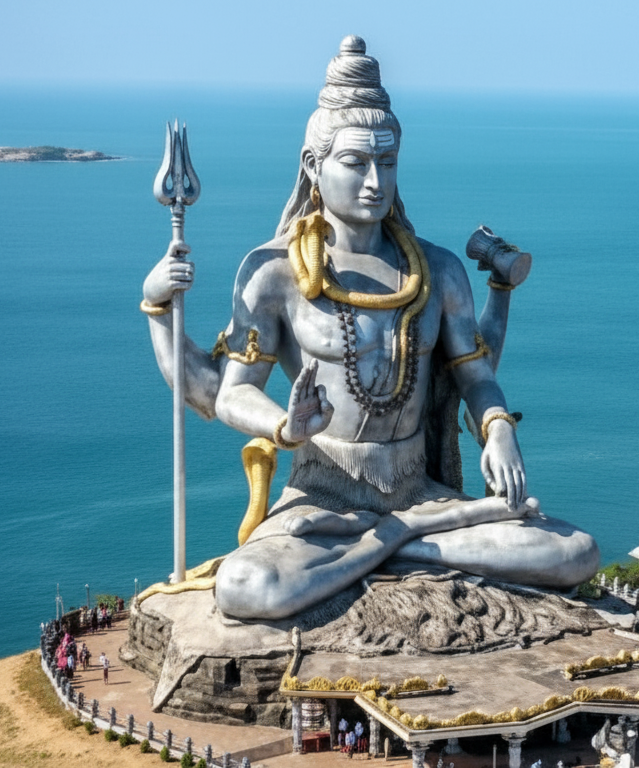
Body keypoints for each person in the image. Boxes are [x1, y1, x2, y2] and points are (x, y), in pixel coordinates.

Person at [141, 36, 598, 621]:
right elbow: (228, 393)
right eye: (355, 163)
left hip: (420, 494)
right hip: (324, 500)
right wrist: (286, 426)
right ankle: (392, 545)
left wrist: (499, 429)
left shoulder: (438, 271)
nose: (374, 182)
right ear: (314, 166)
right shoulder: (273, 273)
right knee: (248, 585)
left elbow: (476, 377)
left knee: (574, 551)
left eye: (387, 162)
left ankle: (393, 540)